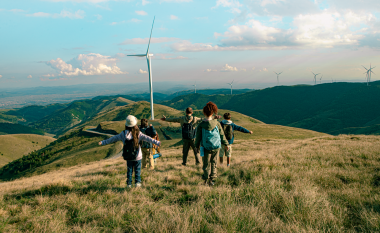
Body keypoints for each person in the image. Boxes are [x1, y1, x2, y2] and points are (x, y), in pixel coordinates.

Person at [98, 115, 160, 188]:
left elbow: (113, 138)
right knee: (137, 170)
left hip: (128, 156)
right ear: (135, 124)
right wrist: (157, 142)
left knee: (129, 170)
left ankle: (129, 184)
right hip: (137, 156)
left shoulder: (123, 133)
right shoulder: (138, 133)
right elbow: (148, 138)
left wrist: (103, 142)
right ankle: (137, 183)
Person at [194, 102, 229, 186]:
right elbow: (221, 134)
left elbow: (198, 137)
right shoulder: (217, 123)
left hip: (205, 146)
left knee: (206, 164)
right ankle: (212, 180)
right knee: (214, 162)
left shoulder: (201, 125)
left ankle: (205, 180)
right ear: (213, 112)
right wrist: (226, 144)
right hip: (216, 146)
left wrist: (196, 146)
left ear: (204, 113)